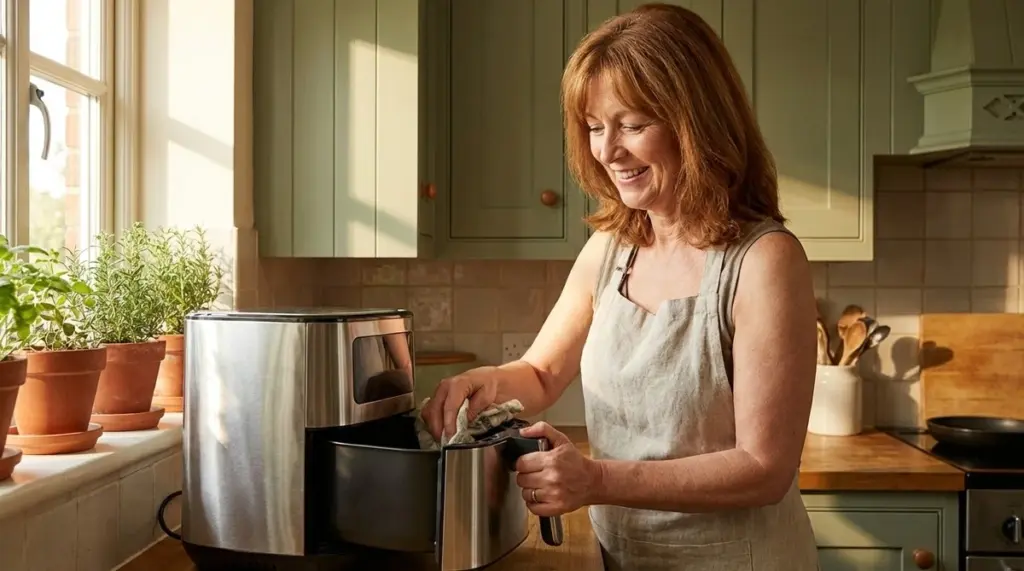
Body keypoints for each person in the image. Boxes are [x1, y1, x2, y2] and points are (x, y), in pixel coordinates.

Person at [420, 3, 821, 569]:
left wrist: (595, 479)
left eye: (632, 125)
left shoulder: (764, 261)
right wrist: (480, 384)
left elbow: (764, 468)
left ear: (698, 122)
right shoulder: (611, 250)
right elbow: (540, 374)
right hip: (621, 557)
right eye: (593, 127)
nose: (607, 151)